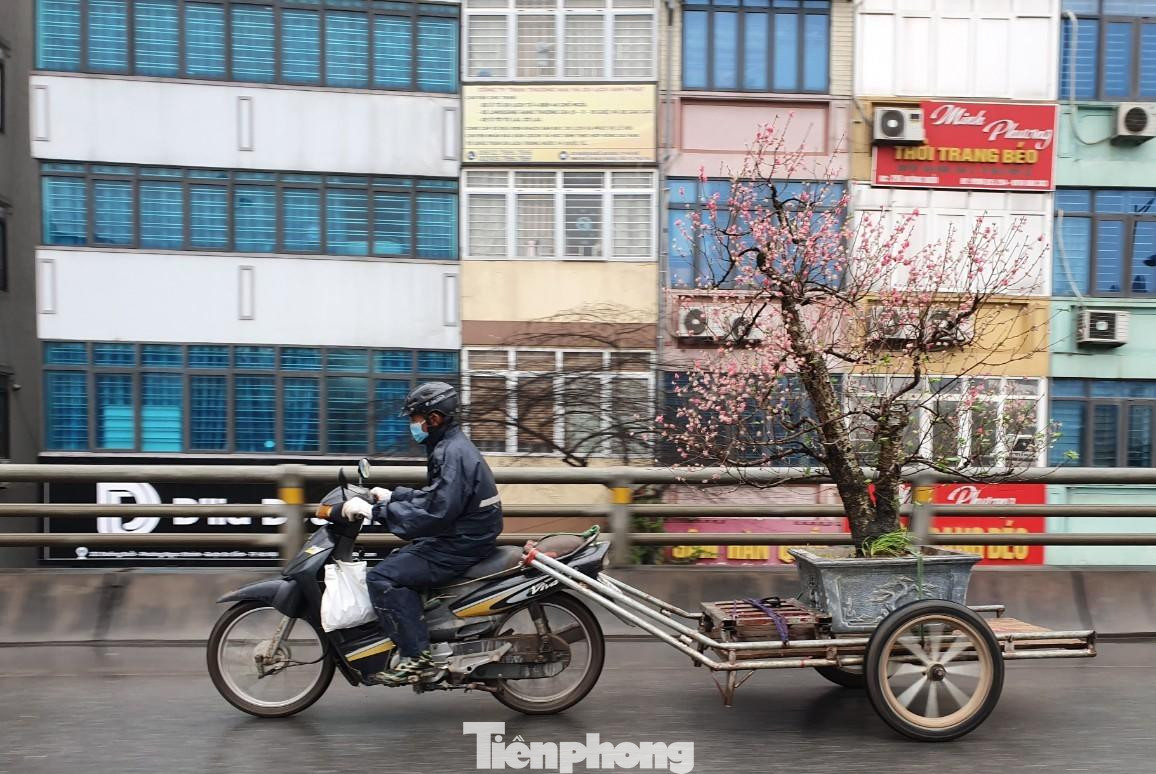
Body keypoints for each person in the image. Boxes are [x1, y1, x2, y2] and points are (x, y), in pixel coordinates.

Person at [335, 382, 503, 685]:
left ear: (434, 418)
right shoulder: (450, 446)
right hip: (463, 534)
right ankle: (427, 631)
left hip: (461, 542)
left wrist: (376, 512)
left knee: (382, 577)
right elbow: (436, 498)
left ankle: (417, 659)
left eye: (415, 418)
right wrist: (392, 497)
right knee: (401, 558)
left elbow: (435, 511)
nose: (413, 425)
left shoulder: (451, 453)